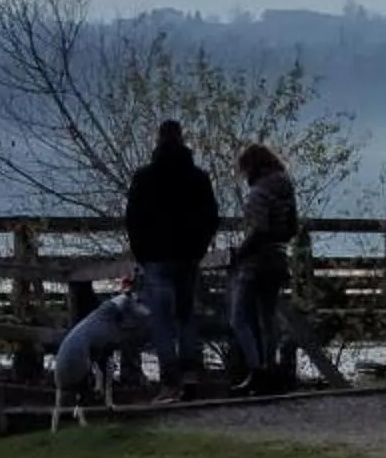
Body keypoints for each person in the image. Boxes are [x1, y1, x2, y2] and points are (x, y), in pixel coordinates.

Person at [123, 119, 219, 400]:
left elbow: (133, 219)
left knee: (162, 320)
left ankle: (170, 380)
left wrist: (141, 253)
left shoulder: (144, 177)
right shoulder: (198, 177)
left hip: (155, 257)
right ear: (181, 138)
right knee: (186, 316)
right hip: (187, 256)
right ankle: (189, 374)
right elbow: (211, 217)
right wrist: (199, 249)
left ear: (158, 139)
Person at [227, 141, 299, 396]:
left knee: (238, 318)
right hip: (278, 258)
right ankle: (271, 368)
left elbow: (259, 229)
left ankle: (256, 370)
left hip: (255, 262)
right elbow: (292, 227)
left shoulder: (259, 192)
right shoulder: (286, 188)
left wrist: (240, 253)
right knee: (268, 318)